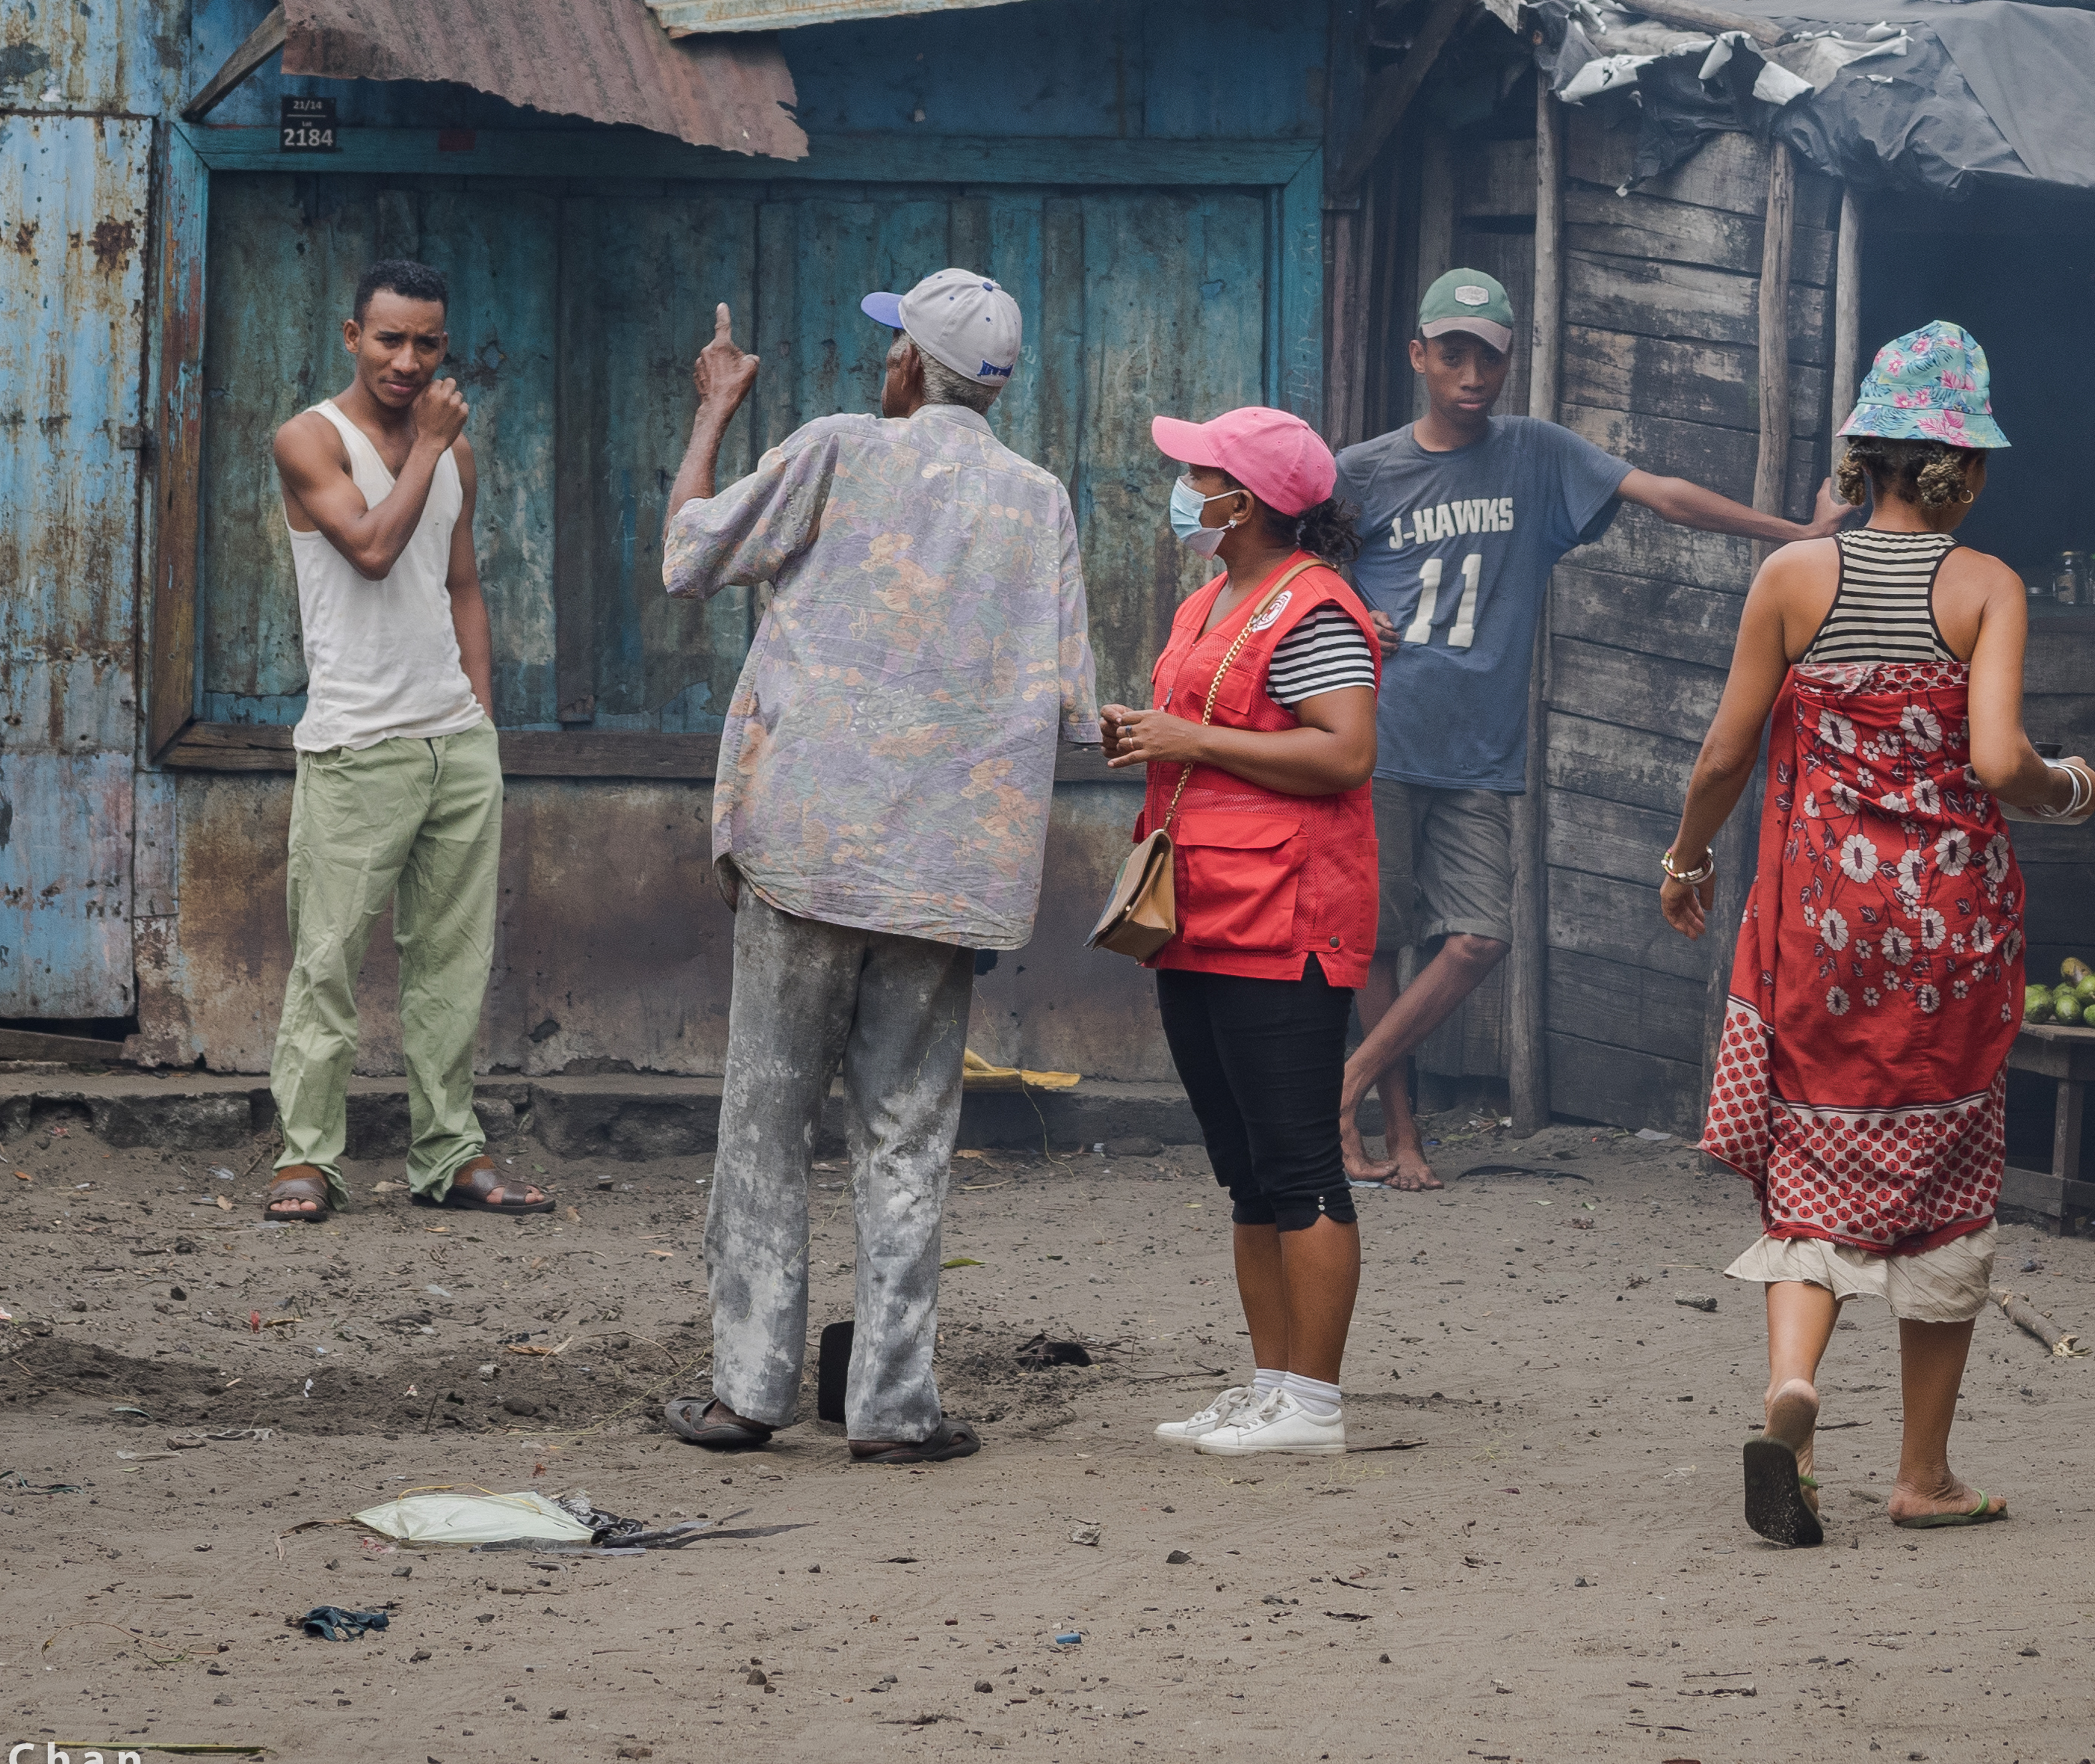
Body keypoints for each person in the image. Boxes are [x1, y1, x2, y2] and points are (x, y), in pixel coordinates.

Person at [1657, 321, 2095, 1544]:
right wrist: (2071, 784)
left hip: (1823, 933)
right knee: (1949, 1186)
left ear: (1863, 456)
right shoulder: (1986, 587)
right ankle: (1922, 1474)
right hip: (1948, 944)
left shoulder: (1794, 579)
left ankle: (1792, 1386)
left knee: (1812, 1178)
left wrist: (1688, 858)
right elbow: (1998, 761)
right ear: (1970, 466)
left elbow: (1724, 752)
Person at [657, 273, 1098, 1466]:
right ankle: (895, 1408)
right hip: (948, 874)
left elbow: (689, 558)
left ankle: (747, 1396)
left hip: (809, 850)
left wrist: (713, 411)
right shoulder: (1039, 499)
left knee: (766, 1121)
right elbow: (1074, 709)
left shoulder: (839, 448)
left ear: (909, 364)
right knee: (910, 1134)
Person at [1335, 264, 1852, 1189]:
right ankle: (1396, 1137)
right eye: (1451, 355)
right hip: (1381, 738)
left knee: (1478, 939)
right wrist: (1343, 614)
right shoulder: (1362, 472)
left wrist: (1796, 534)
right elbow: (1291, 565)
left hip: (1480, 755)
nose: (1470, 376)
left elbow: (1665, 494)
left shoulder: (1536, 452)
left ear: (1507, 364)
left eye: (1487, 359)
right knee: (1380, 943)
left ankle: (1345, 1086)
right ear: (1419, 357)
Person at [1101, 406, 1382, 1458]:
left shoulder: (1314, 609)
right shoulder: (1211, 599)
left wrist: (1188, 737)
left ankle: (1314, 1405)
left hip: (1289, 920)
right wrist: (1146, 733)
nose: (1184, 485)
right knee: (1246, 1169)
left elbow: (1345, 752)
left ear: (1248, 501)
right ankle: (1271, 1386)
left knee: (1301, 1162)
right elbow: (1212, 734)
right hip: (1202, 913)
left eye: (1200, 472)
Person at [261, 259, 549, 1224]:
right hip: (356, 743)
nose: (409, 359)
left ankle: (450, 1155)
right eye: (390, 338)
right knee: (328, 962)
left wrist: (481, 720)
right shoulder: (311, 439)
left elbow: (461, 584)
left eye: (429, 342)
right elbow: (375, 551)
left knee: (451, 968)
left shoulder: (452, 453)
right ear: (352, 336)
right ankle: (307, 1159)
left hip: (453, 744)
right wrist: (428, 446)